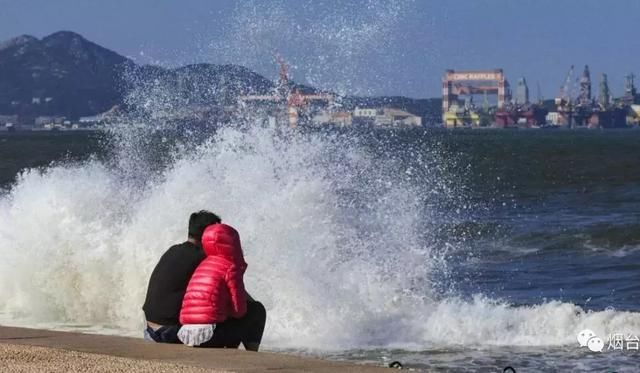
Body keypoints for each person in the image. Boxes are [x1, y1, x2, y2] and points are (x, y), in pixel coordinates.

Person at [178, 223, 266, 351]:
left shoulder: (202, 265)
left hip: (186, 335)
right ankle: (252, 352)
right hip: (209, 337)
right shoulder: (230, 268)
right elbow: (239, 311)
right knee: (257, 310)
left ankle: (232, 348)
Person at [142, 210, 222, 343]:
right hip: (170, 332)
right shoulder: (202, 258)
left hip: (150, 330)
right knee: (250, 316)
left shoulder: (173, 250)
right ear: (208, 234)